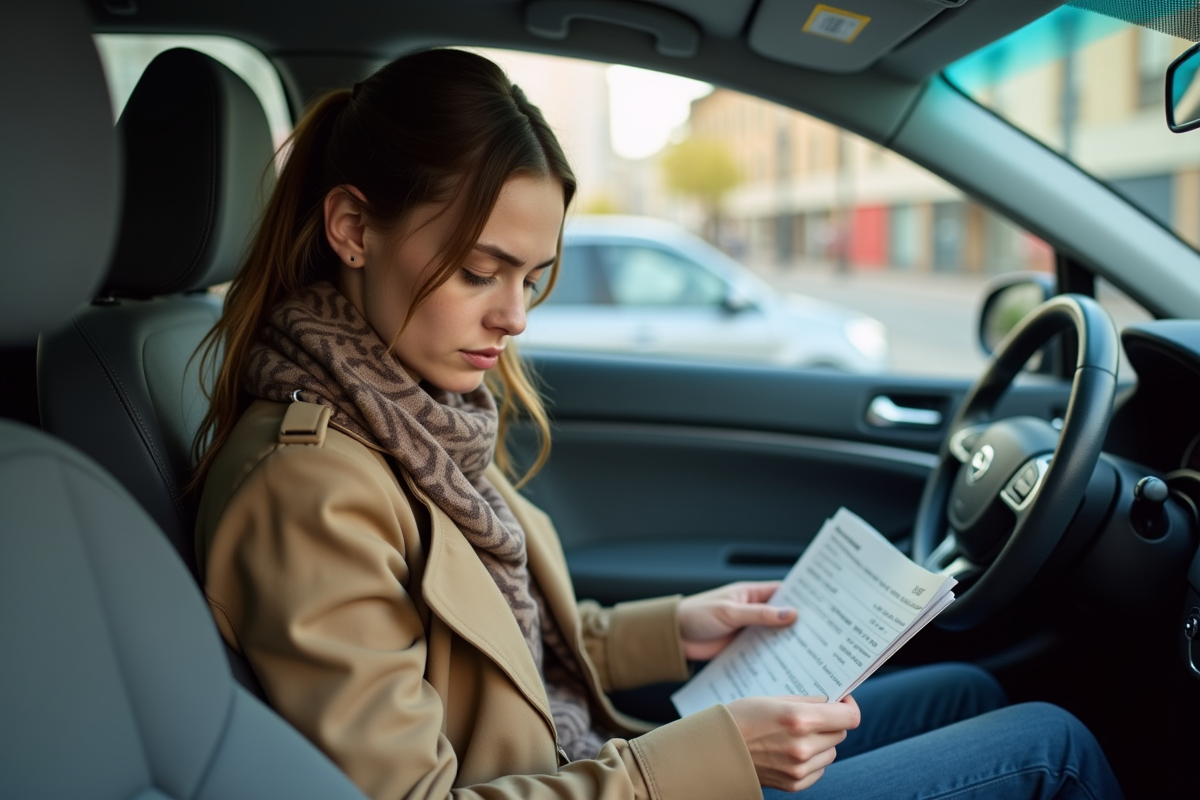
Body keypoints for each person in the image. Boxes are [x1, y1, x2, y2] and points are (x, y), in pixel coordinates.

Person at [192, 48, 1123, 800]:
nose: (514, 318)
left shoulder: (417, 412)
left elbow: (501, 653)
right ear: (353, 229)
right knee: (1053, 750)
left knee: (970, 690)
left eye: (532, 279)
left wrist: (677, 629)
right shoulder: (307, 491)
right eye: (480, 271)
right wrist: (713, 761)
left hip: (582, 762)